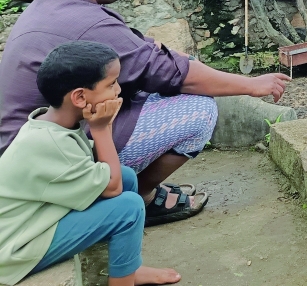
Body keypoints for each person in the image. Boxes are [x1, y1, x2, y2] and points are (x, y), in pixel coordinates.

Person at [0, 0, 291, 226]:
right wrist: (251, 85)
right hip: (51, 159)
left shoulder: (54, 5)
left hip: (29, 145)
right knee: (199, 109)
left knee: (160, 82)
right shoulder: (91, 23)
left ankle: (126, 187)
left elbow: (146, 53)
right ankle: (142, 196)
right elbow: (175, 74)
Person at [0, 41, 180, 286]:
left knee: (126, 176)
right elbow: (112, 189)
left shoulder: (51, 125)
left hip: (34, 221)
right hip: (14, 250)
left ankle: (129, 269)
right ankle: (123, 281)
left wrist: (100, 127)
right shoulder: (48, 143)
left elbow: (109, 174)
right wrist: (101, 128)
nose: (117, 91)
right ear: (80, 97)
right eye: (111, 84)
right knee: (128, 208)